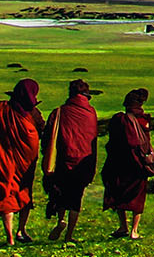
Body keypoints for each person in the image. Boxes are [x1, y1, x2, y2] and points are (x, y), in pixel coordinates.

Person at [0, 79, 44, 246]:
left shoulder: (0, 109)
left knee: (6, 191)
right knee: (24, 190)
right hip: (26, 160)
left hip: (4, 159)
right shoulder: (33, 113)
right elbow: (42, 129)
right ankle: (22, 230)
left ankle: (10, 238)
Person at [41, 79, 100, 241]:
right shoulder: (91, 113)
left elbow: (47, 136)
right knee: (76, 198)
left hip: (62, 160)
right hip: (83, 162)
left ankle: (61, 220)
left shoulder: (60, 111)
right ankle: (69, 235)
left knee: (61, 192)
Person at [102, 88, 154, 240]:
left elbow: (112, 142)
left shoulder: (119, 120)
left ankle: (123, 226)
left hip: (118, 163)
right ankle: (134, 230)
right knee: (138, 197)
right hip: (139, 164)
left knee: (119, 194)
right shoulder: (144, 120)